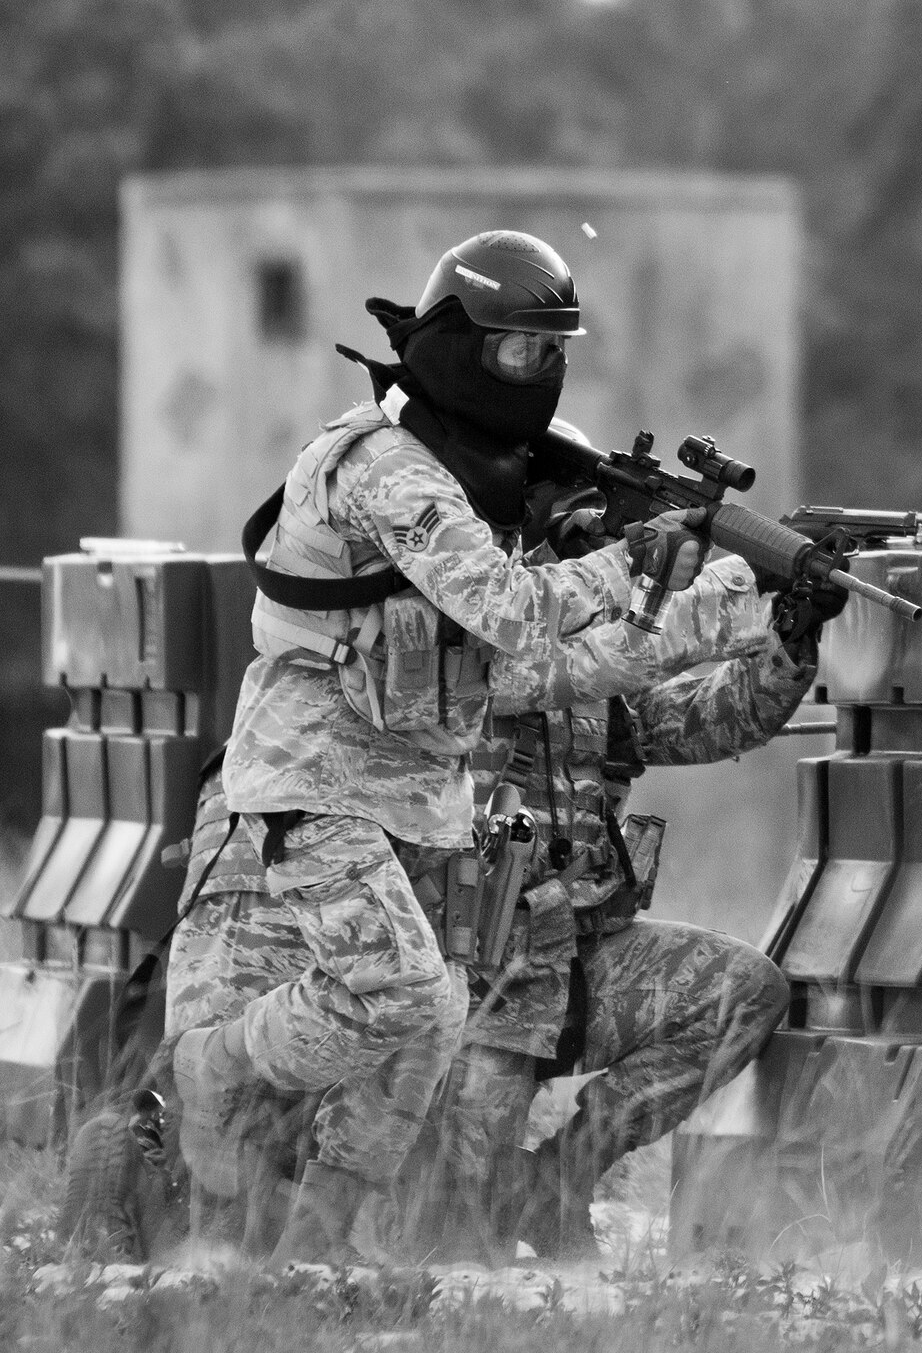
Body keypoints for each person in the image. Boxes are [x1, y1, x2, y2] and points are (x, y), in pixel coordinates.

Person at [174, 229, 709, 1264]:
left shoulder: (476, 478)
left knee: (432, 1016)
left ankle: (320, 1255)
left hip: (413, 794)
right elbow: (509, 611)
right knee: (407, 995)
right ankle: (211, 1070)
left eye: (551, 355)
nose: (535, 375)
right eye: (514, 352)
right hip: (312, 779)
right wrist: (625, 555)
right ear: (458, 342)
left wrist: (652, 575)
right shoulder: (389, 471)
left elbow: (522, 665)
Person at [402, 468, 841, 1265]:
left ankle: (562, 1179)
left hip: (576, 960)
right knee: (462, 1232)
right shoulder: (469, 645)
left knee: (741, 991)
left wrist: (790, 638)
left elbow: (706, 720)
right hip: (471, 976)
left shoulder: (597, 678)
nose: (607, 556)